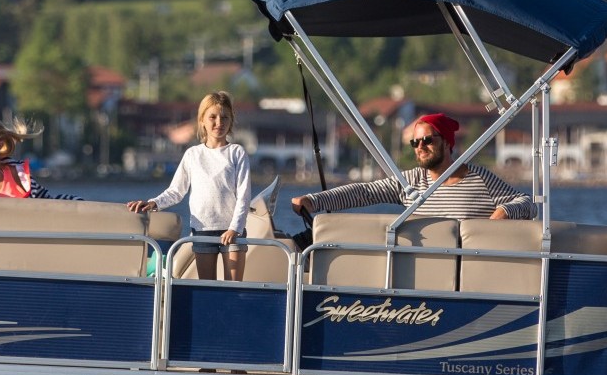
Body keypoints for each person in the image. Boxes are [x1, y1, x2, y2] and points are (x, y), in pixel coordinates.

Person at [290, 112, 532, 221]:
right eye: (415, 142)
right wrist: (314, 201)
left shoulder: (479, 177)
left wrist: (504, 212)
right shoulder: (411, 181)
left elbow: (526, 203)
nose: (420, 147)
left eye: (427, 140)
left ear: (447, 142)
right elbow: (364, 192)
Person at [128, 91, 252, 280]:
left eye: (224, 117)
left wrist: (235, 228)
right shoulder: (193, 154)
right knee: (207, 288)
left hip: (233, 231)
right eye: (213, 117)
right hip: (203, 229)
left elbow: (244, 195)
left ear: (231, 120)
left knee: (234, 288)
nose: (219, 122)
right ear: (202, 120)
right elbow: (176, 191)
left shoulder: (237, 152)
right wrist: (153, 203)